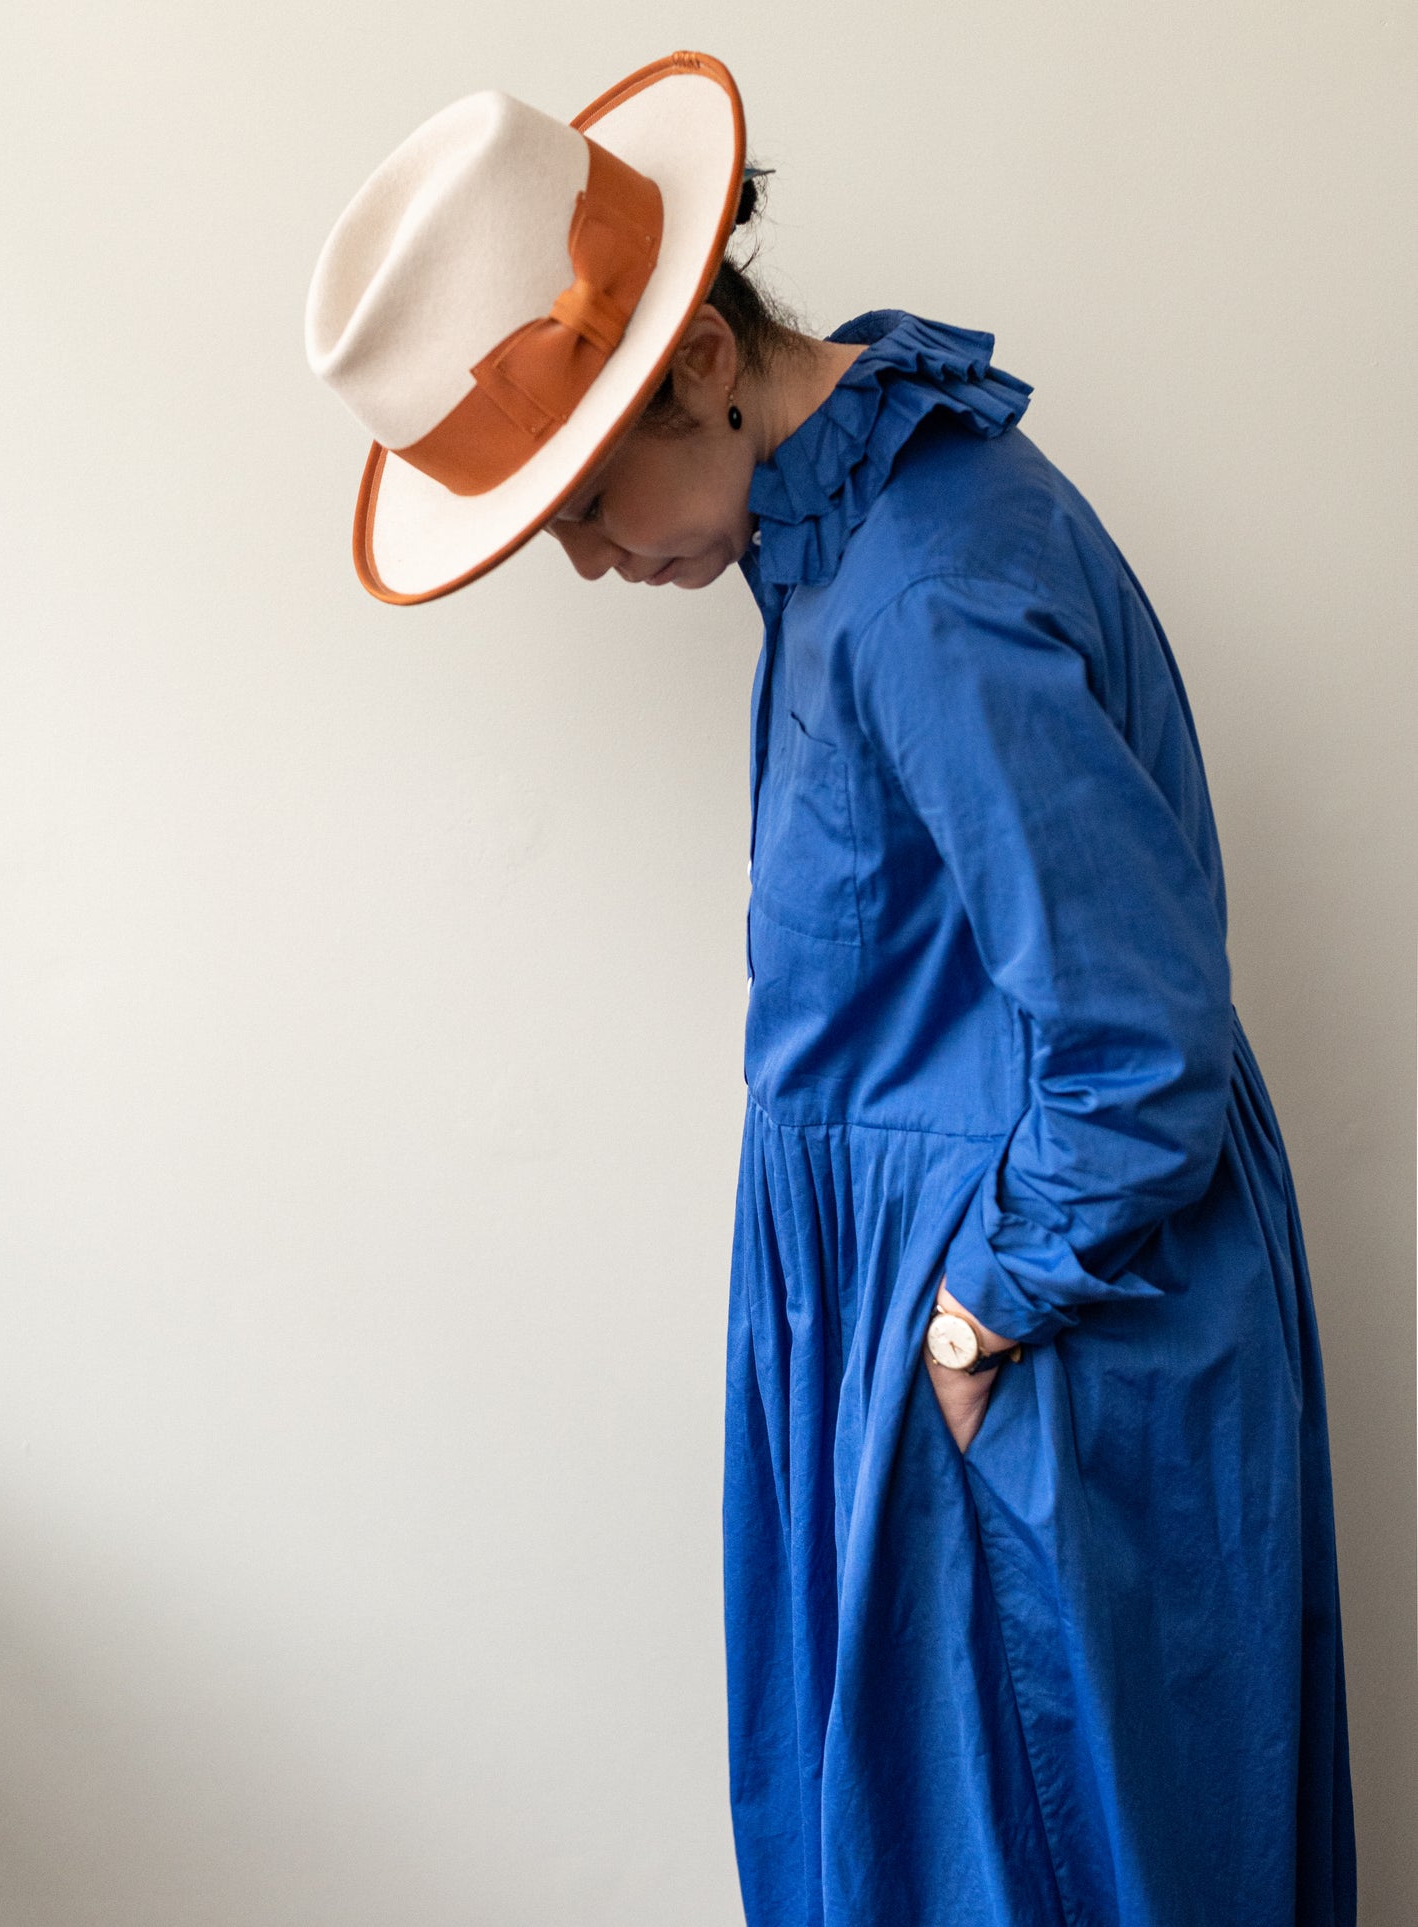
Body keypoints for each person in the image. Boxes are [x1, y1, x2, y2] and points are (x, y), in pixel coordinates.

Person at [305, 50, 1356, 1927]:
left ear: (702, 358)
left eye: (586, 501)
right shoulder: (841, 537)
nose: (593, 562)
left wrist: (965, 1331)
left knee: (1048, 1870)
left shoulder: (921, 587)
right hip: (922, 1308)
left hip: (1032, 1338)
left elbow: (1134, 1042)